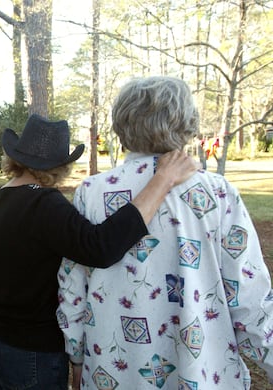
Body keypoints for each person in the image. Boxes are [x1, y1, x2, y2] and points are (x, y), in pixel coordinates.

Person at [57, 76, 273, 389]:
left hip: (115, 373)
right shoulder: (219, 195)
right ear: (186, 121)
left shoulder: (92, 193)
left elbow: (72, 288)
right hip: (202, 373)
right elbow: (250, 296)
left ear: (122, 123)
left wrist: (76, 355)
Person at [0, 113, 198, 389]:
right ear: (60, 166)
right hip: (28, 350)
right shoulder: (44, 204)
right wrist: (162, 181)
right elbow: (100, 248)